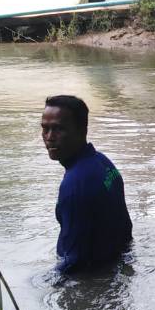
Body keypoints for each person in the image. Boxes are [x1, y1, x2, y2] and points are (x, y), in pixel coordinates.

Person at [41, 94, 132, 273]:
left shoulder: (75, 186)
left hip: (91, 278)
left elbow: (74, 261)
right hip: (116, 263)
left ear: (82, 129)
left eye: (58, 129)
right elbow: (125, 230)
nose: (49, 137)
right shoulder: (103, 162)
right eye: (45, 129)